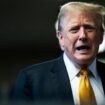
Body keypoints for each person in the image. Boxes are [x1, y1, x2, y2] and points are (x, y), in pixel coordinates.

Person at [12, 1, 105, 105]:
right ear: (61, 38)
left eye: (89, 28)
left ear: (101, 36)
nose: (83, 36)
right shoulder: (31, 80)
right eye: (74, 29)